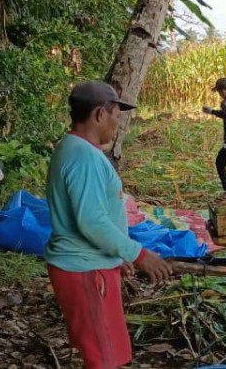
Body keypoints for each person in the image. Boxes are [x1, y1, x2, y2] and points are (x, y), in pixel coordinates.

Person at [44, 81, 173, 369]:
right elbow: (91, 220)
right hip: (85, 270)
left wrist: (115, 256)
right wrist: (137, 254)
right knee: (103, 358)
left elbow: (93, 213)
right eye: (116, 115)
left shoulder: (75, 149)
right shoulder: (83, 156)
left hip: (94, 265)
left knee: (106, 353)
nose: (117, 123)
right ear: (100, 115)